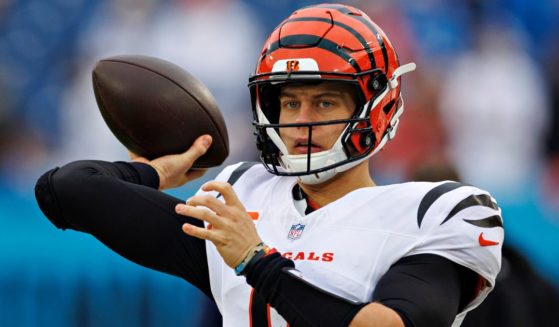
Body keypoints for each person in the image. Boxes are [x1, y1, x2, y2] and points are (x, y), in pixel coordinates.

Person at [34, 4, 503, 327]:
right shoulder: (244, 197)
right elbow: (66, 190)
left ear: (375, 107)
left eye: (323, 102)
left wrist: (255, 261)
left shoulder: (438, 212)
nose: (301, 122)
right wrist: (159, 173)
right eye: (290, 103)